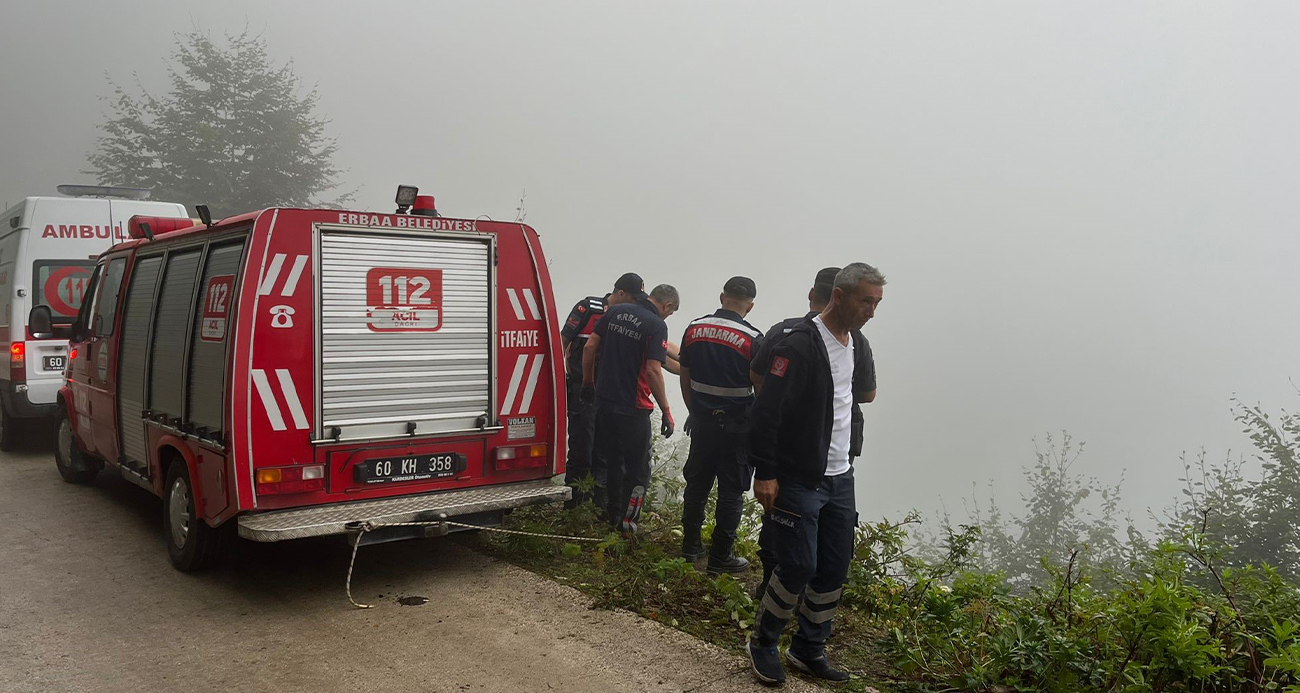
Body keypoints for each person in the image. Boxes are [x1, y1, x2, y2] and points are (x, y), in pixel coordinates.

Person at [746, 263, 883, 685]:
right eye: (865, 301)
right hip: (799, 477)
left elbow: (857, 399)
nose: (871, 312)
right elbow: (766, 414)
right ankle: (764, 643)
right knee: (798, 566)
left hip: (840, 477)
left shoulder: (857, 342)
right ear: (838, 296)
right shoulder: (799, 345)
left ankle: (809, 648)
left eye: (877, 303)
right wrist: (766, 473)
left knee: (834, 569)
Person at [749, 266, 842, 595]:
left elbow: (757, 374)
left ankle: (769, 584)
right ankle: (790, 595)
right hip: (821, 453)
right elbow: (867, 393)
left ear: (810, 294)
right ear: (839, 298)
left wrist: (778, 403)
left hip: (785, 448)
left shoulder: (781, 330)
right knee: (811, 523)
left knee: (777, 515)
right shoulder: (846, 340)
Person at [677, 276, 763, 574]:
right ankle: (720, 558)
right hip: (738, 427)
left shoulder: (694, 328)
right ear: (750, 306)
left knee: (697, 484)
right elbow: (761, 389)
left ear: (722, 296)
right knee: (731, 491)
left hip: (701, 422)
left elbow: (685, 377)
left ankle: (689, 547)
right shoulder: (753, 339)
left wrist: (696, 411)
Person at [582, 283, 680, 533]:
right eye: (670, 312)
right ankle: (629, 525)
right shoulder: (656, 325)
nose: (667, 316)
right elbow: (653, 369)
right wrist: (667, 411)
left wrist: (588, 383)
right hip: (633, 408)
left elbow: (590, 347)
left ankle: (613, 515)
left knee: (615, 463)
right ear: (666, 305)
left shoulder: (614, 312)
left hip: (605, 402)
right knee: (638, 472)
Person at [559, 273, 645, 507]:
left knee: (605, 450)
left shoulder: (628, 319)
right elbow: (562, 340)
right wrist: (558, 377)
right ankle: (574, 505)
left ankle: (599, 506)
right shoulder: (589, 307)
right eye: (632, 298)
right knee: (581, 448)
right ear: (620, 294)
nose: (635, 303)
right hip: (582, 389)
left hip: (610, 394)